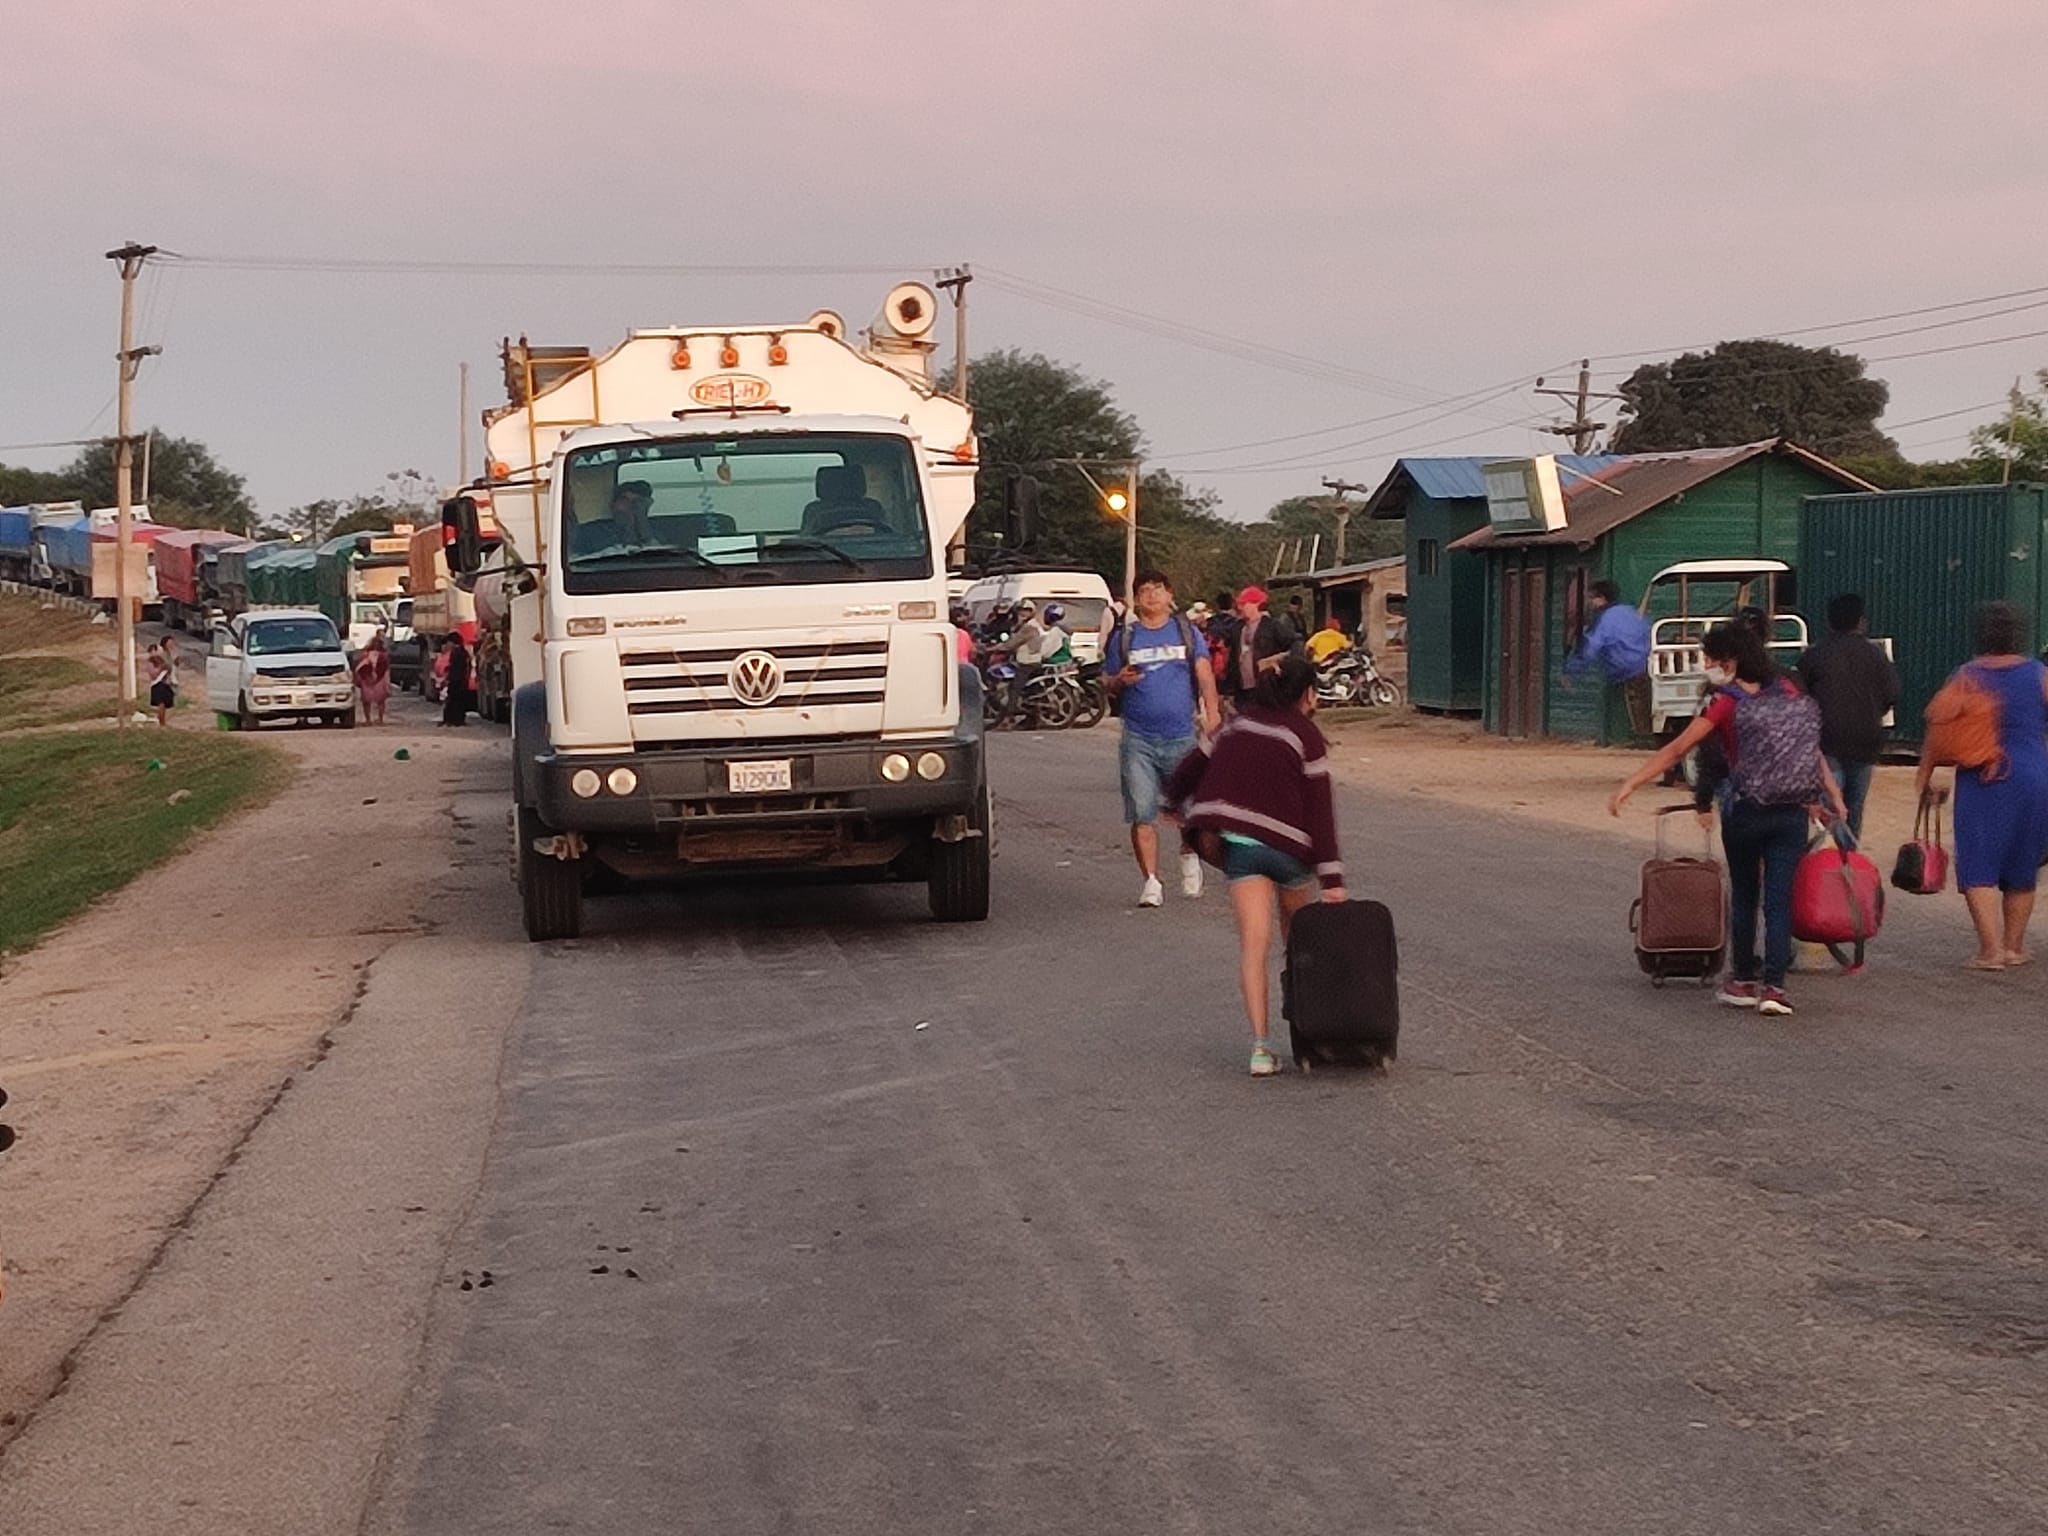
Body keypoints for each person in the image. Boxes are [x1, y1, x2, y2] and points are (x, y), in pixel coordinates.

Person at [1612, 622, 1846, 1018]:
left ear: (1731, 661)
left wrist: (1632, 782)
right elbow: (1811, 749)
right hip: (1791, 812)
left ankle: (1742, 980)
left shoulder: (1726, 701)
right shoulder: (1789, 691)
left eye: (1711, 658)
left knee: (1744, 897)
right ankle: (1775, 987)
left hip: (1746, 811)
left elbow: (1679, 748)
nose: (1707, 665)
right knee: (1778, 901)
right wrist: (1831, 794)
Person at [1164, 655, 1347, 1076]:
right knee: (1301, 948)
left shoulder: (1237, 723)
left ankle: (1261, 1048)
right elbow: (1320, 812)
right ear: (1307, 694)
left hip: (1242, 848)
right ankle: (1312, 1035)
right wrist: (1333, 880)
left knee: (1254, 946)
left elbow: (1192, 764)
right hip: (1291, 853)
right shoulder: (1307, 736)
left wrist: (1172, 801)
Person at [1915, 600, 2048, 971]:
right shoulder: (2039, 673)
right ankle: (2013, 947)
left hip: (1982, 776)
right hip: (2034, 774)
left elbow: (1939, 729)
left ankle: (1989, 951)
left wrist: (1927, 776)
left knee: (1979, 861)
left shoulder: (1965, 675)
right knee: (2024, 863)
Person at [1103, 569, 1221, 908]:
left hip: (1181, 736)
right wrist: (1119, 681)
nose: (1152, 595)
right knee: (1142, 811)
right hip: (1137, 738)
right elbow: (1107, 680)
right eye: (1145, 590)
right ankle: (1151, 881)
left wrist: (1212, 715)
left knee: (1188, 810)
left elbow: (1204, 673)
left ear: (1170, 596)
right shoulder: (1125, 638)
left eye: (1158, 589)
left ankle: (1190, 854)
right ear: (1137, 599)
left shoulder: (1186, 633)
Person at [1797, 593, 1899, 841]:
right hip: (1866, 741)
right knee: (1854, 806)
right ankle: (1849, 863)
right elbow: (1892, 694)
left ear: (1829, 622)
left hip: (1827, 742)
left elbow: (1799, 696)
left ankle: (1833, 861)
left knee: (1833, 805)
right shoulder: (1876, 655)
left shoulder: (1814, 655)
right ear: (1861, 622)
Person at [1566, 579, 1654, 735]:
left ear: (1602, 598)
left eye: (1593, 597)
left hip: (1630, 670)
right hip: (1649, 665)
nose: (1590, 602)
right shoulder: (1629, 611)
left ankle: (1644, 739)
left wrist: (1572, 670)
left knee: (1640, 710)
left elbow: (1592, 648)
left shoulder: (1606, 619)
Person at [1222, 585, 1301, 705]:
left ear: (1255, 604)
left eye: (1244, 604)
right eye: (1239, 604)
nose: (1239, 607)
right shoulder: (1236, 629)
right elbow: (1231, 660)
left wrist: (1279, 659)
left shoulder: (1272, 626)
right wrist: (1227, 690)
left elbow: (1297, 642)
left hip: (1267, 689)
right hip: (1242, 693)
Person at [570, 480, 657, 555]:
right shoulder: (589, 533)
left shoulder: (660, 532)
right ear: (612, 505)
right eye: (624, 500)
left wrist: (643, 526)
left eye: (637, 502)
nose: (630, 506)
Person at [354, 630, 392, 726]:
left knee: (366, 702)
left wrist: (359, 680)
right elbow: (386, 669)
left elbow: (358, 668)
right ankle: (380, 719)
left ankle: (368, 720)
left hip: (366, 681)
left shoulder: (364, 655)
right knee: (381, 701)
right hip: (380, 680)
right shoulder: (384, 656)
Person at [439, 634, 472, 727]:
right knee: (459, 701)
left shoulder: (456, 652)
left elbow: (455, 668)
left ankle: (451, 720)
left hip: (456, 680)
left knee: (452, 701)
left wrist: (448, 676)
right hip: (462, 680)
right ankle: (458, 720)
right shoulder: (464, 652)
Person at [147, 635, 178, 728]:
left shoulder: (171, 655)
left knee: (165, 704)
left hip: (167, 682)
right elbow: (154, 672)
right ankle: (162, 722)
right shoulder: (160, 657)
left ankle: (163, 721)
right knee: (161, 704)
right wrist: (163, 667)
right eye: (169, 643)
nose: (172, 645)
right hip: (160, 682)